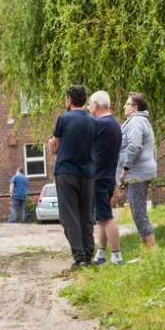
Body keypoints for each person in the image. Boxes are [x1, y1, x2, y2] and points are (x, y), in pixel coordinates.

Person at [47, 85, 96, 269]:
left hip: (67, 172)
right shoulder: (93, 121)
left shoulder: (63, 119)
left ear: (69, 99)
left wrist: (51, 142)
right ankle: (89, 255)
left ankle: (79, 256)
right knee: (86, 215)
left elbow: (54, 147)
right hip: (88, 173)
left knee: (69, 216)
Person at [88, 91, 124, 265]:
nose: (88, 108)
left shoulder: (98, 124)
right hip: (108, 175)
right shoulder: (114, 124)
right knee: (101, 217)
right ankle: (101, 254)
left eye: (89, 104)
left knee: (106, 217)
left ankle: (117, 256)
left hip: (99, 177)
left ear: (95, 105)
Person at [119, 92, 158, 250]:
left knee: (139, 214)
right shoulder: (139, 121)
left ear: (135, 107)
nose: (124, 106)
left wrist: (125, 169)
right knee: (137, 212)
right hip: (139, 173)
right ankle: (146, 253)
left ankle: (153, 252)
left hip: (137, 174)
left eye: (127, 104)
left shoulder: (136, 122)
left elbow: (134, 147)